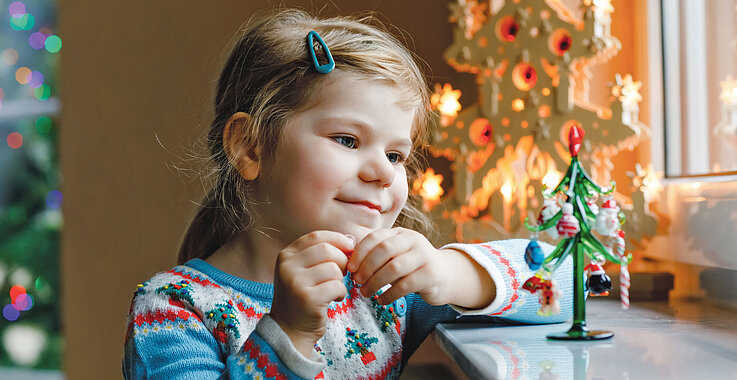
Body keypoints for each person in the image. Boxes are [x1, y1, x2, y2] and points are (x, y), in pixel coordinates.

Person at [123, 9, 572, 379]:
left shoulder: (384, 291)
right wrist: (288, 334)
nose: (383, 172)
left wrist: (447, 273)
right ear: (250, 146)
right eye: (348, 140)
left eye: (397, 155)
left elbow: (572, 285)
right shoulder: (173, 309)